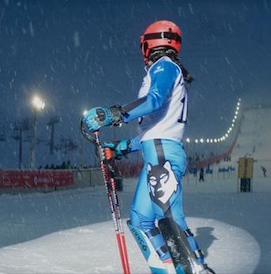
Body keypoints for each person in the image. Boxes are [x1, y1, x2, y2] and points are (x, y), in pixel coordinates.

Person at [83, 20, 214, 274]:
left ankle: (197, 269)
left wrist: (115, 114)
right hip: (157, 152)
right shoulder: (166, 69)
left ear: (149, 44)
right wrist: (117, 148)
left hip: (162, 155)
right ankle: (165, 269)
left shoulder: (165, 66)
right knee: (141, 220)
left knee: (171, 219)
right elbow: (151, 133)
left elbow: (154, 101)